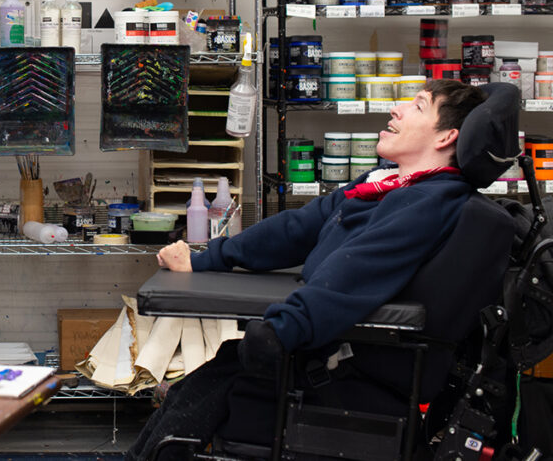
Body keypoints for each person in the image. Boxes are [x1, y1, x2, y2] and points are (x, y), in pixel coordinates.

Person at [127, 79, 488, 460]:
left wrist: (282, 329)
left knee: (209, 387)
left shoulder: (428, 203)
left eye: (417, 106)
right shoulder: (384, 183)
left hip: (345, 365)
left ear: (447, 136)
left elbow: (357, 273)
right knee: (201, 384)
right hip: (330, 346)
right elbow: (298, 229)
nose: (396, 109)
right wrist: (207, 259)